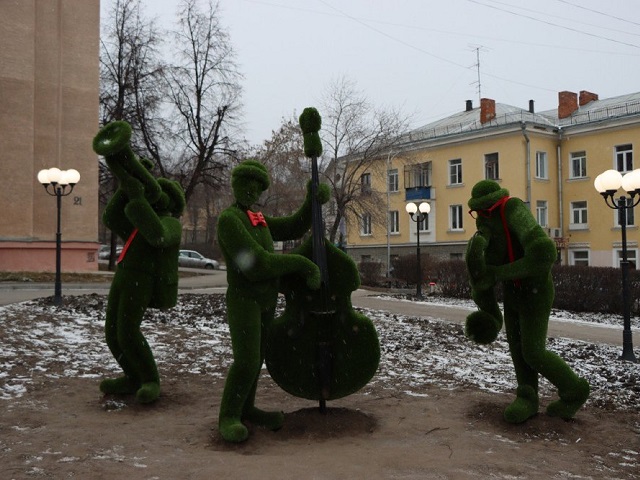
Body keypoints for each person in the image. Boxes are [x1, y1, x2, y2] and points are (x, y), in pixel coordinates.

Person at [217, 159, 329, 442]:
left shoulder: (258, 219)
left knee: (257, 360)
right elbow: (257, 264)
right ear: (236, 186)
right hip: (245, 300)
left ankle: (247, 408)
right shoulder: (230, 220)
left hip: (266, 301)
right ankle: (229, 416)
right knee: (246, 360)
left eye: (257, 188)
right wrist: (303, 265)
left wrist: (311, 201)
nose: (252, 193)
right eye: (247, 186)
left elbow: (292, 226)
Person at [465, 179, 589, 423]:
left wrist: (498, 273)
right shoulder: (487, 226)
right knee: (516, 348)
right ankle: (527, 397)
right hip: (513, 293)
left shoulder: (512, 209)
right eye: (476, 213)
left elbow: (544, 253)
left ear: (494, 206)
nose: (480, 218)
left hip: (536, 291)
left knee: (532, 351)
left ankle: (574, 390)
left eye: (484, 212)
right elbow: (483, 273)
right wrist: (488, 311)